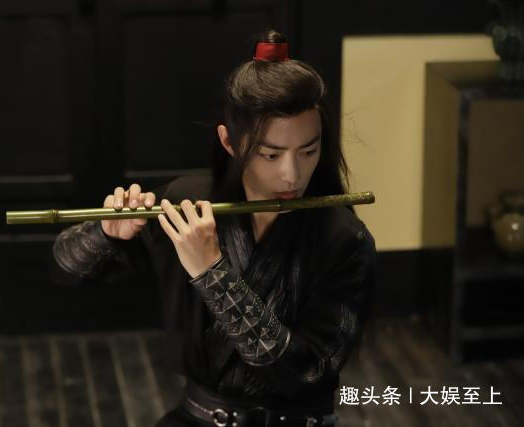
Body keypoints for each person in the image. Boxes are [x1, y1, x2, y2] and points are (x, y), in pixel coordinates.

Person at [51, 29, 376, 427]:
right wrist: (105, 234)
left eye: (308, 150)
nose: (292, 174)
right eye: (270, 155)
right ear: (229, 141)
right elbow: (65, 270)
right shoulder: (187, 204)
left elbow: (306, 372)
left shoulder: (343, 238)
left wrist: (211, 272)